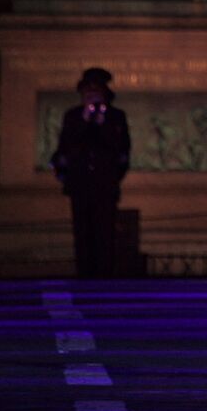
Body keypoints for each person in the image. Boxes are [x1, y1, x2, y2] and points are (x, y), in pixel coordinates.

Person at [51, 68, 131, 279]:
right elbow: (66, 147)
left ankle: (104, 275)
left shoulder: (116, 117)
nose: (91, 96)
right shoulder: (73, 117)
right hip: (80, 186)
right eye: (88, 92)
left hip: (105, 186)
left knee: (105, 234)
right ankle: (84, 274)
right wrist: (85, 121)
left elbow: (121, 150)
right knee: (82, 234)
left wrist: (103, 123)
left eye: (96, 92)